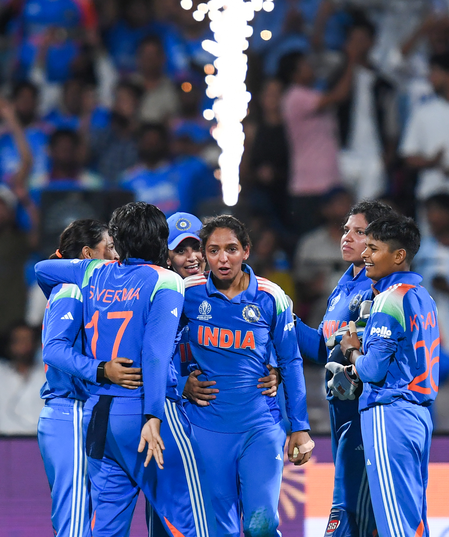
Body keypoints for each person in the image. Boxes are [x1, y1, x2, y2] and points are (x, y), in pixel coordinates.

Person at [35, 202, 216, 537]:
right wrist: (153, 417)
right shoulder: (165, 280)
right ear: (160, 241)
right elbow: (156, 355)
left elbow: (42, 269)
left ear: (118, 241)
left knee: (106, 526)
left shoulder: (93, 273)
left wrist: (95, 274)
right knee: (192, 520)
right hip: (144, 409)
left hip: (99, 416)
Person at [181, 214, 313, 537]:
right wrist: (181, 383)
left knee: (261, 526)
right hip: (205, 428)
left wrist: (300, 427)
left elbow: (291, 360)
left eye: (231, 249)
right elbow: (157, 346)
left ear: (246, 251)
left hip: (260, 428)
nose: (223, 259)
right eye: (213, 251)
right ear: (204, 254)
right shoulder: (186, 292)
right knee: (219, 530)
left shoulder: (271, 296)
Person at [37, 219, 144, 537]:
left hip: (91, 411)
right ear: (87, 254)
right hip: (68, 411)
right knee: (74, 522)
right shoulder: (71, 289)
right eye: (110, 247)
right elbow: (53, 350)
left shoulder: (97, 292)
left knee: (98, 521)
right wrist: (102, 370)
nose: (117, 254)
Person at [296, 200, 394, 537]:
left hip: (364, 412)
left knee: (349, 514)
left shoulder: (380, 286)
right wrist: (283, 317)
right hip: (340, 412)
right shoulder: (344, 284)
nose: (347, 237)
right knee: (357, 514)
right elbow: (323, 350)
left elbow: (371, 356)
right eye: (346, 230)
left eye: (359, 232)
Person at [339, 214, 439, 537]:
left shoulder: (388, 299)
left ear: (399, 256)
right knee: (413, 520)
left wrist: (352, 351)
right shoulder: (424, 297)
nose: (365, 254)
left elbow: (372, 370)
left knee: (396, 527)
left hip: (389, 414)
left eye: (373, 248)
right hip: (419, 417)